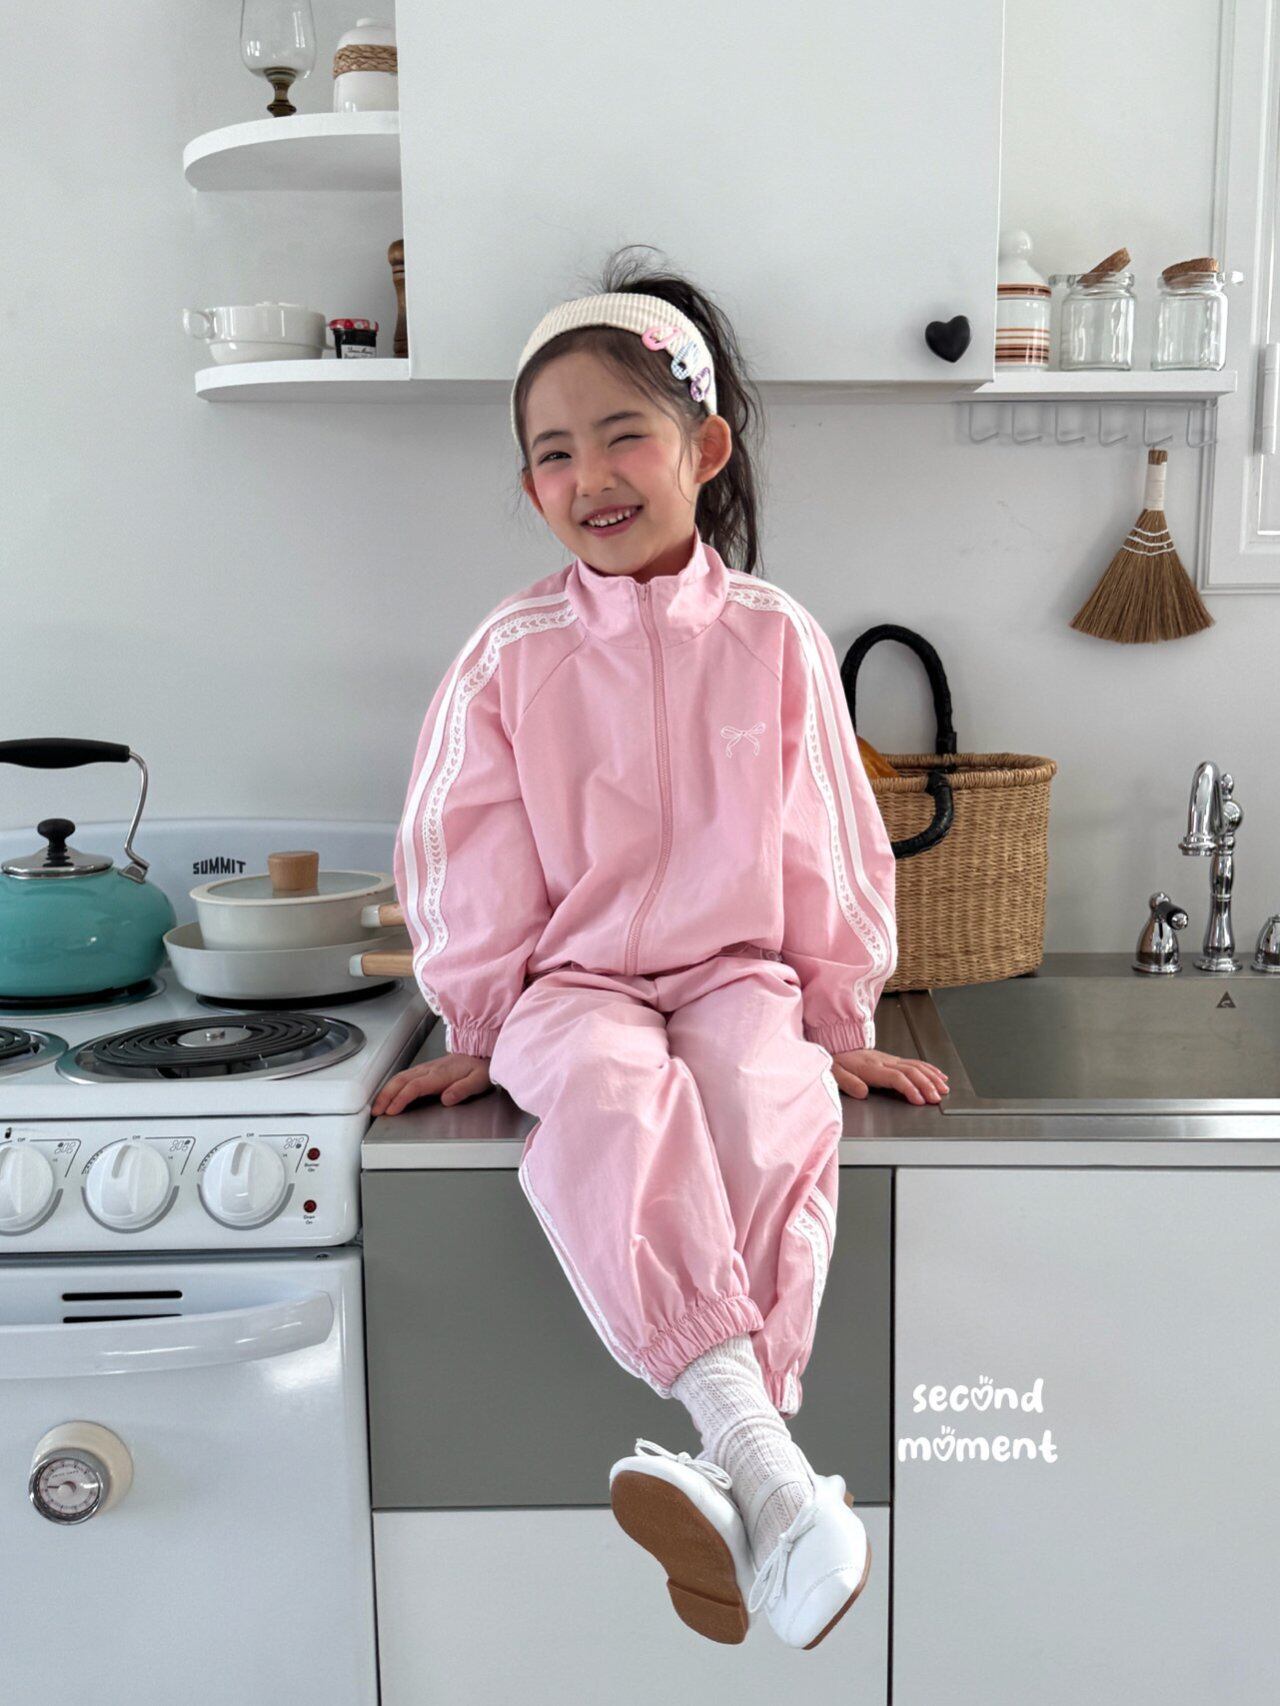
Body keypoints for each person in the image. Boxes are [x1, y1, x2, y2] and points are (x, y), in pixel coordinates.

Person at [373, 245, 949, 1651]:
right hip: (569, 985)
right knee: (614, 1098)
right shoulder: (511, 652)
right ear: (531, 489)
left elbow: (827, 836)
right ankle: (769, 1470)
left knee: (768, 1098)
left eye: (623, 433)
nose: (591, 474)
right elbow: (462, 840)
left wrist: (839, 1013)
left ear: (703, 448)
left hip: (737, 970)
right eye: (553, 453)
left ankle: (745, 1462)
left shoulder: (773, 638)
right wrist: (478, 1022)